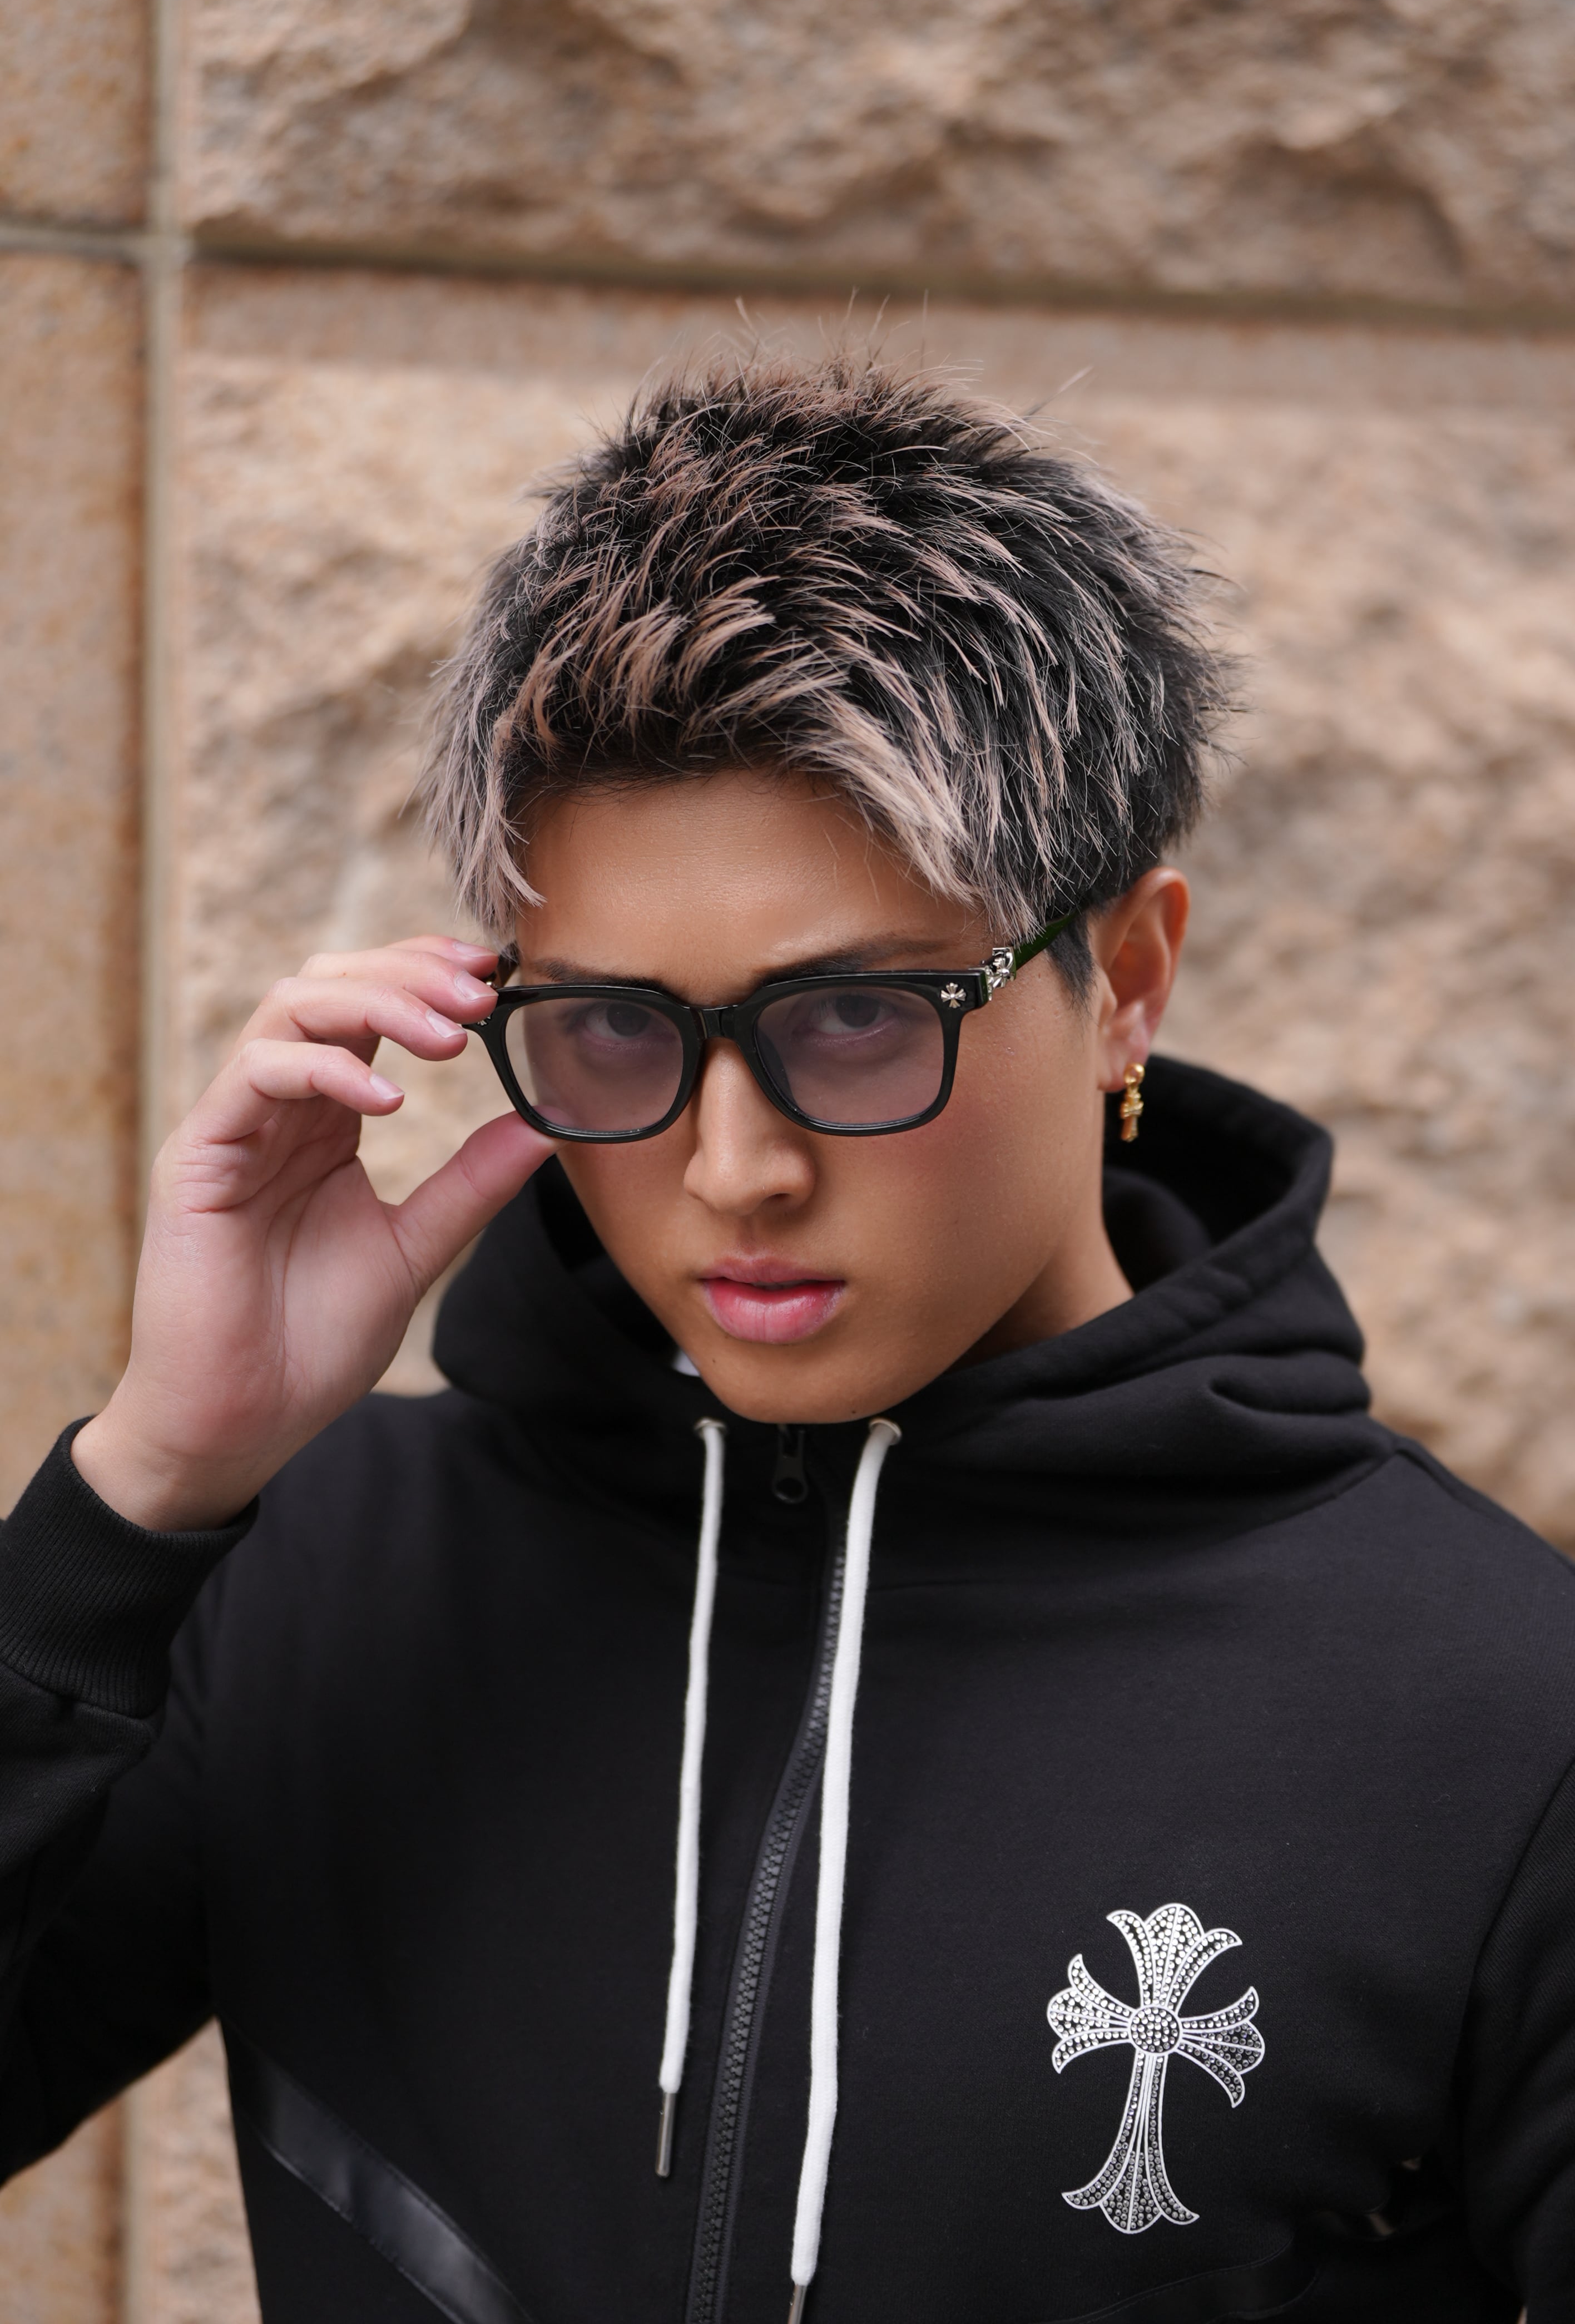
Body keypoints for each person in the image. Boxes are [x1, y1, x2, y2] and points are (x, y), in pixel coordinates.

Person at [0, 353, 1568, 2324]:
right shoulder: (320, 1580)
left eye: (853, 1020)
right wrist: (146, 1489)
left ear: (1124, 980)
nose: (734, 1170)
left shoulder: (1498, 1715)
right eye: (615, 1028)